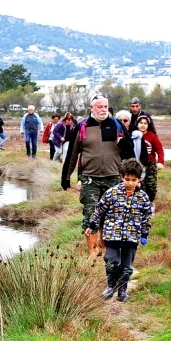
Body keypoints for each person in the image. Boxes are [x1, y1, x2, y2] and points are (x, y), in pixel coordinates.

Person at [62, 94, 135, 257]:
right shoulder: (82, 127)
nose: (103, 110)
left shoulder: (116, 125)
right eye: (99, 107)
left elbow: (130, 151)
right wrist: (66, 178)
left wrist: (135, 177)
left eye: (105, 107)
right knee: (91, 214)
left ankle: (105, 245)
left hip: (114, 177)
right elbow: (72, 155)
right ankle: (93, 250)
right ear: (91, 108)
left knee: (112, 214)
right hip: (90, 178)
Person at [85, 158, 153, 302]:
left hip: (131, 237)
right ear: (121, 177)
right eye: (127, 179)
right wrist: (92, 225)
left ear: (139, 179)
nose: (130, 183)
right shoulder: (112, 193)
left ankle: (122, 291)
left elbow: (146, 217)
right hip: (112, 235)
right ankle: (111, 286)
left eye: (134, 180)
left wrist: (144, 233)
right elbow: (100, 210)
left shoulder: (143, 198)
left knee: (127, 267)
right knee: (112, 261)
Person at [134, 114, 165, 202]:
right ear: (137, 124)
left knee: (151, 186)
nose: (143, 125)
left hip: (150, 164)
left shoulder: (152, 136)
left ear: (148, 125)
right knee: (139, 185)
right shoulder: (134, 135)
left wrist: (160, 162)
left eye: (145, 123)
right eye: (141, 123)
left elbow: (159, 150)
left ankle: (150, 203)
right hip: (138, 164)